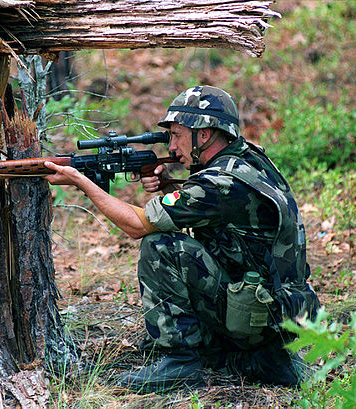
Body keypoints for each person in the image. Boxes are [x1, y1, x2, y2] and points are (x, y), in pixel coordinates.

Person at [44, 85, 320, 393]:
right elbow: (217, 220)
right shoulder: (249, 159)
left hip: (261, 318)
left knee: (161, 247)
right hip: (284, 312)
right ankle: (252, 356)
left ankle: (180, 363)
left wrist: (81, 182)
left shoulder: (218, 184)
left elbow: (137, 225)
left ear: (204, 135)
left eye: (177, 134)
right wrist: (168, 187)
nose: (172, 145)